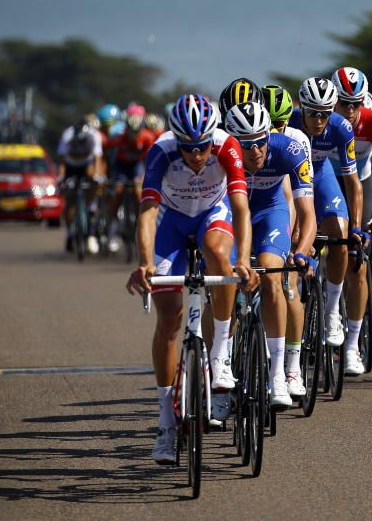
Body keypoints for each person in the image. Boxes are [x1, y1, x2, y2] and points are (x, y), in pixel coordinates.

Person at [124, 94, 257, 465]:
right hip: (172, 221)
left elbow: (242, 208)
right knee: (169, 319)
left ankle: (220, 357)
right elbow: (148, 212)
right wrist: (145, 262)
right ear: (177, 139)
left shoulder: (226, 146)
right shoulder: (161, 151)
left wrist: (243, 261)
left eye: (202, 147)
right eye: (189, 147)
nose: (197, 155)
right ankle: (166, 423)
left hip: (213, 214)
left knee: (218, 253)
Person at [225, 101, 316, 407]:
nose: (256, 152)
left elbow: (307, 212)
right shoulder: (221, 154)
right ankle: (220, 369)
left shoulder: (289, 149)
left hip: (269, 212)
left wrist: (302, 252)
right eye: (247, 145)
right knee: (223, 283)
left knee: (271, 274)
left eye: (261, 142)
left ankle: (278, 374)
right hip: (232, 216)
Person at [290, 77, 366, 355]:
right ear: (302, 109)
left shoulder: (341, 127)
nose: (319, 120)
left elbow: (353, 182)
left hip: (320, 174)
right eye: (313, 113)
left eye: (325, 113)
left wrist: (356, 228)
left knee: (341, 237)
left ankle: (332, 310)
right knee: (293, 239)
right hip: (292, 178)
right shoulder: (289, 123)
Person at [330, 67, 372, 375]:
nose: (350, 110)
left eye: (356, 103)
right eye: (343, 103)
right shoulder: (321, 120)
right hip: (325, 186)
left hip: (360, 186)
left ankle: (352, 345)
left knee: (358, 263)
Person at [105, 104, 157, 252]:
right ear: (126, 130)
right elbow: (106, 153)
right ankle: (113, 229)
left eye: (137, 132)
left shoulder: (148, 138)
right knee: (118, 192)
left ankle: (139, 219)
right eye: (131, 132)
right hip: (121, 167)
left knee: (137, 191)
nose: (134, 136)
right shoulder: (119, 139)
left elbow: (150, 161)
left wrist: (144, 178)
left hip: (138, 166)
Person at [57, 117, 105, 253]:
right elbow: (62, 160)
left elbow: (97, 159)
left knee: (94, 181)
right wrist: (61, 177)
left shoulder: (95, 136)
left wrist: (97, 177)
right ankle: (69, 234)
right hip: (71, 164)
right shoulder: (67, 136)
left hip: (86, 164)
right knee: (70, 199)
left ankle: (91, 205)